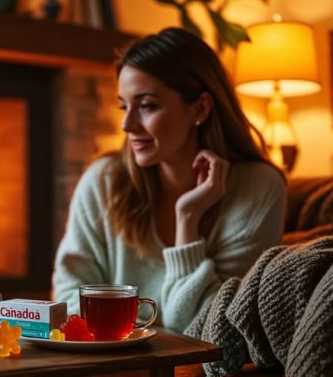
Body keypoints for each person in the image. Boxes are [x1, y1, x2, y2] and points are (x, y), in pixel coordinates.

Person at [52, 27, 286, 333]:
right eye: (124, 105)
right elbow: (67, 301)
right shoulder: (103, 181)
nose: (127, 124)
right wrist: (136, 339)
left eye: (147, 105)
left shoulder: (258, 188)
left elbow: (205, 326)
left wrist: (187, 219)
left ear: (199, 108)